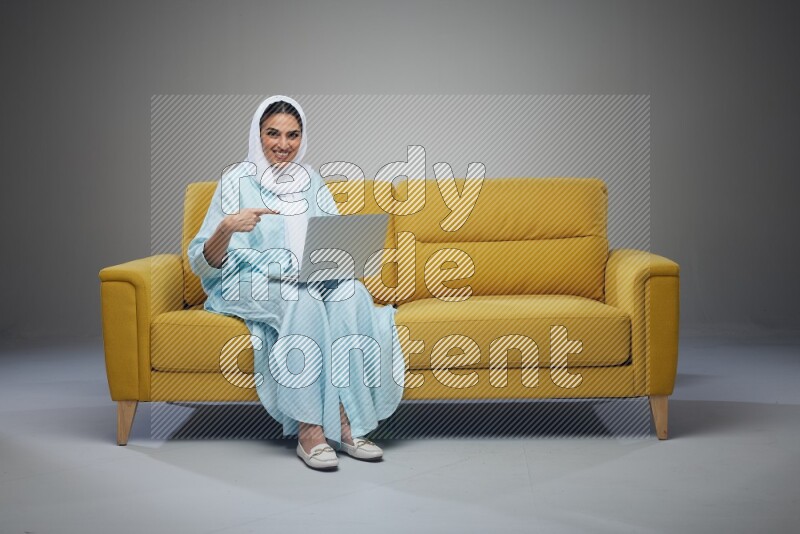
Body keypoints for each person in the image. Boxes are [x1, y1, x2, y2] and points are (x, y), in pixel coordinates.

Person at [187, 95, 405, 470]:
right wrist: (226, 227)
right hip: (247, 280)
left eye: (293, 135)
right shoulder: (236, 181)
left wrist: (334, 262)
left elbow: (333, 236)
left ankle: (349, 423)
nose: (283, 145)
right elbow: (200, 264)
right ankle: (311, 430)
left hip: (304, 277)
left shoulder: (312, 180)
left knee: (353, 293)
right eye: (273, 134)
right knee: (300, 303)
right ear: (258, 135)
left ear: (303, 138)